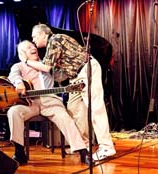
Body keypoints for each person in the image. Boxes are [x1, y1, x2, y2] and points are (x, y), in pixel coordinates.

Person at [30, 24, 116, 161]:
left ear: (42, 34)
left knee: (95, 108)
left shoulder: (54, 40)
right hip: (76, 77)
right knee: (74, 108)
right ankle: (84, 145)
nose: (33, 40)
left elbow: (46, 67)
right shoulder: (54, 43)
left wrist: (27, 62)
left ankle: (106, 146)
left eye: (34, 37)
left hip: (86, 69)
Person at [7, 40, 91, 165]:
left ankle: (83, 152)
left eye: (33, 45)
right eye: (28, 47)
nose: (33, 47)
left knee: (65, 117)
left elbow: (61, 75)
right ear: (22, 54)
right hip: (31, 103)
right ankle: (19, 152)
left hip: (51, 101)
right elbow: (13, 76)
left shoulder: (47, 63)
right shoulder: (18, 66)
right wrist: (19, 83)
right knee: (13, 111)